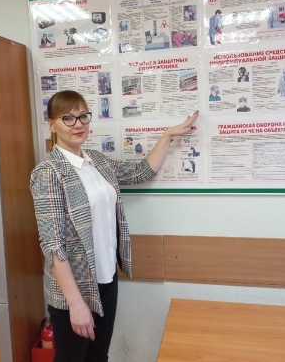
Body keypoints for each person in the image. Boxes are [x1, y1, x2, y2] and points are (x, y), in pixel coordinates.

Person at [30, 91, 198, 362]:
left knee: (98, 357)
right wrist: (75, 303)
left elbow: (141, 172)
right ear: (52, 124)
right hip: (75, 289)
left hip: (106, 278)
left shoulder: (97, 161)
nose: (78, 124)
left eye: (83, 116)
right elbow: (53, 246)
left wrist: (167, 136)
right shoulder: (49, 173)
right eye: (68, 118)